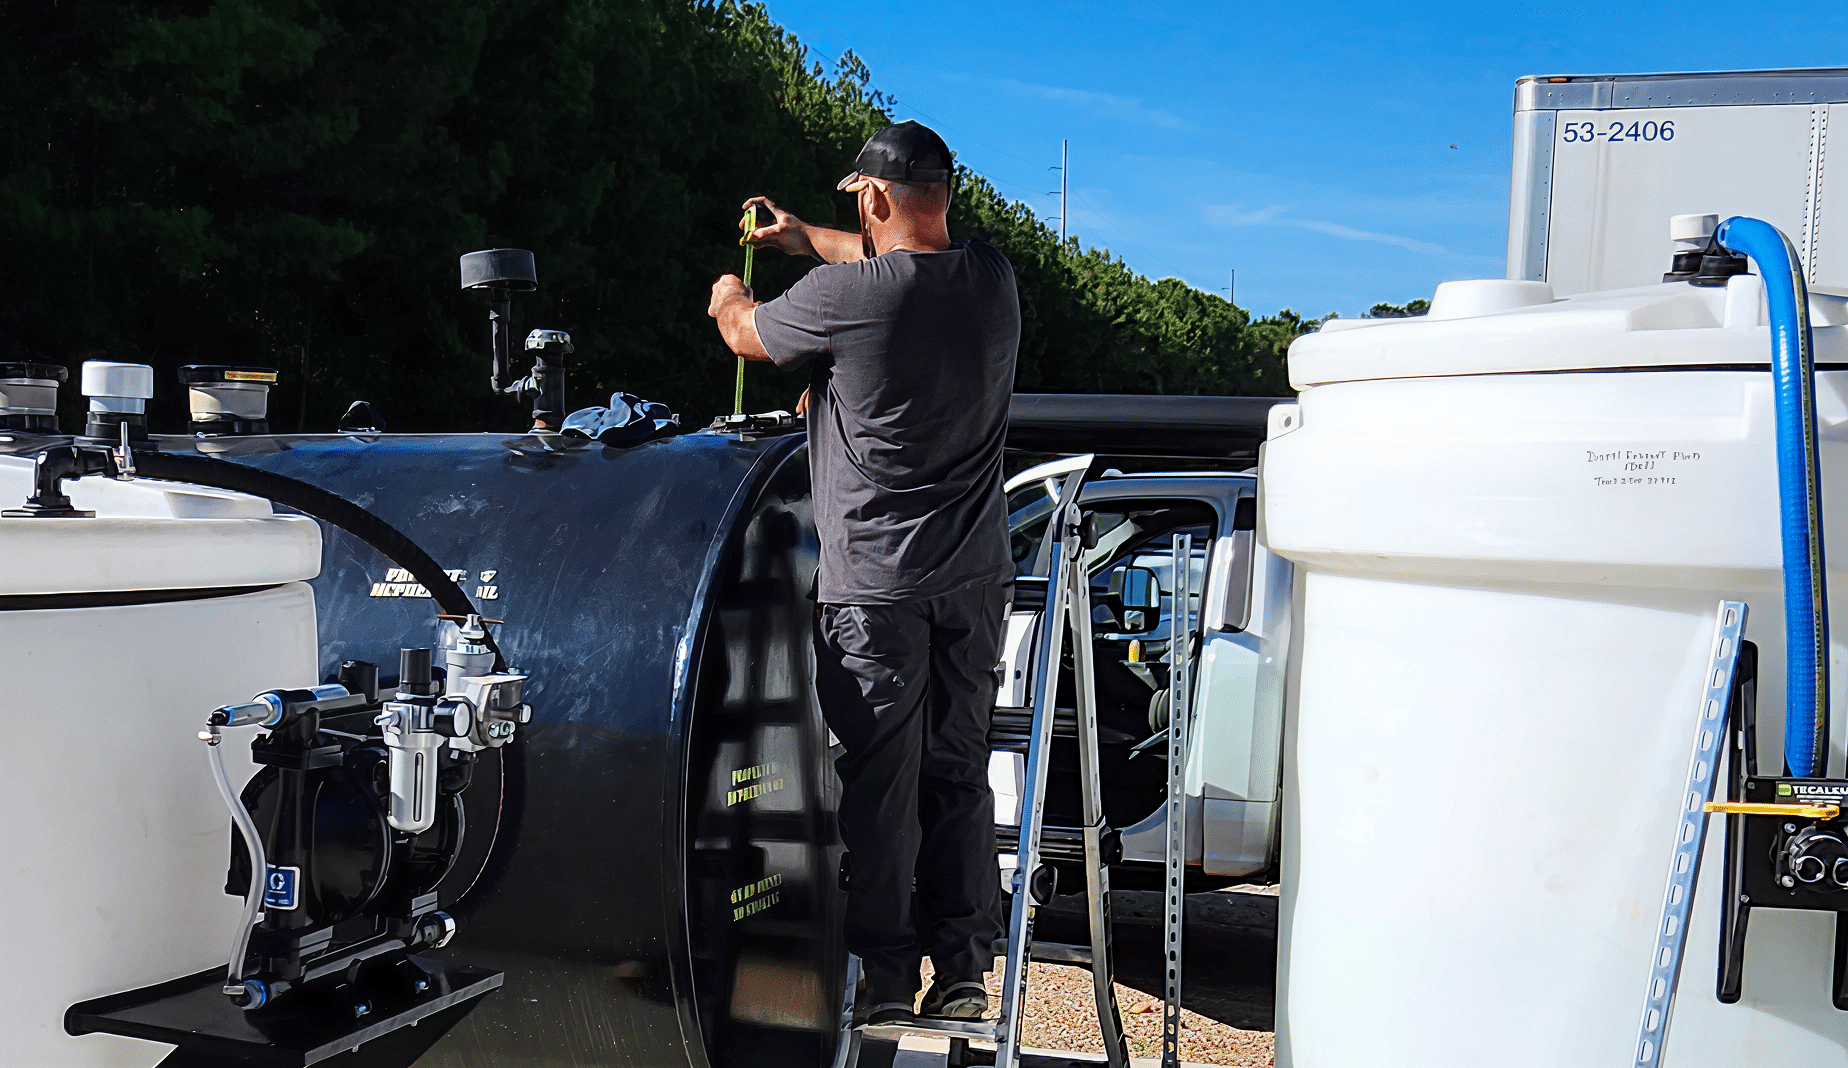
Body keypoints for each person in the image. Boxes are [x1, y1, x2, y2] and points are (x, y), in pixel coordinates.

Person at [707, 121, 1021, 1025]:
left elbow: (745, 337)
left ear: (876, 198)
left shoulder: (843, 300)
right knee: (957, 773)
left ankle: (886, 981)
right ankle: (962, 969)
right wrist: (806, 234)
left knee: (881, 788)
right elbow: (899, 259)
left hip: (877, 587)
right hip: (974, 580)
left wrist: (731, 289)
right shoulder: (992, 281)